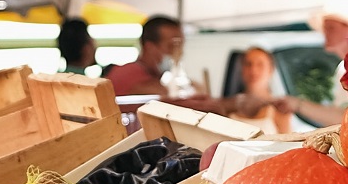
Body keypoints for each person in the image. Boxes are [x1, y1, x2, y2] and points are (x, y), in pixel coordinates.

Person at [106, 17, 285, 120]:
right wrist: (228, 103)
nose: (178, 53)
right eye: (172, 46)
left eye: (180, 46)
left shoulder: (156, 77)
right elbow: (171, 102)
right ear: (150, 47)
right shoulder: (130, 75)